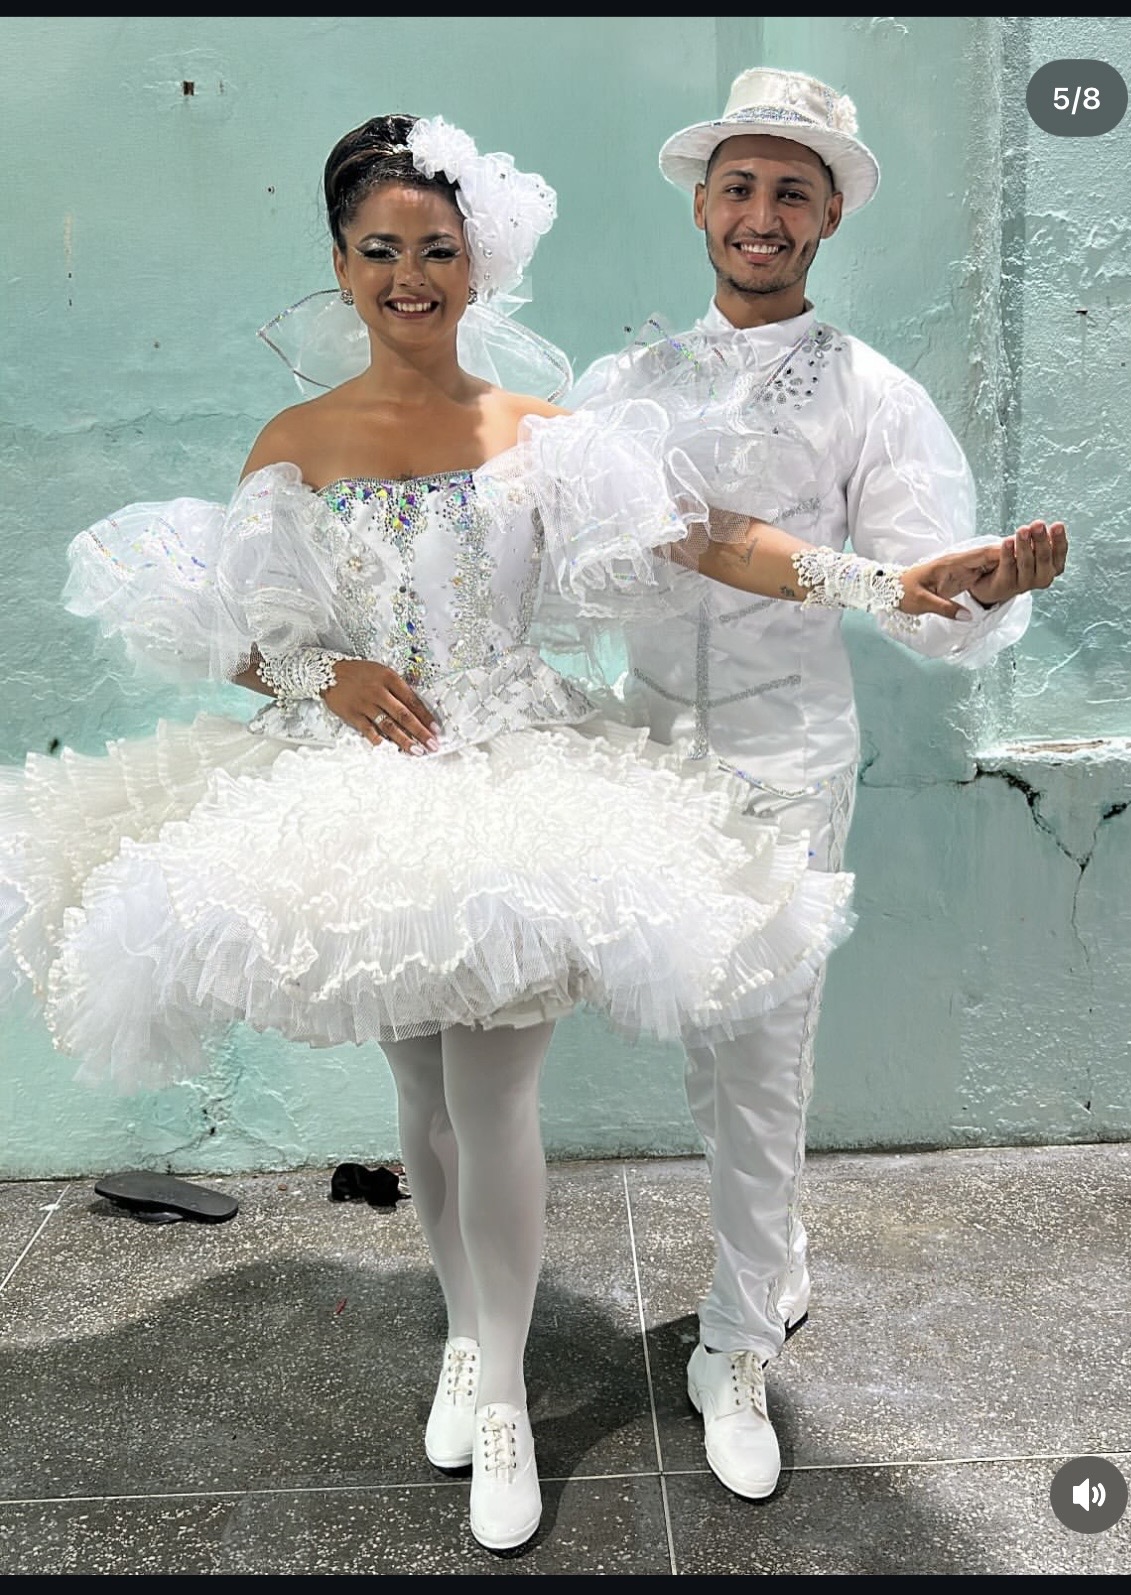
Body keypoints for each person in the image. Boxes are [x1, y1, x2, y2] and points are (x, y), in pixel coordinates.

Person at [0, 111, 1022, 1553]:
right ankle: (469, 1336)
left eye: (437, 249)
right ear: (340, 266)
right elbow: (243, 631)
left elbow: (712, 537)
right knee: (418, 1100)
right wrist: (322, 676)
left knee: (492, 1103)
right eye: (380, 250)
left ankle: (504, 1404)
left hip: (516, 784)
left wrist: (886, 584)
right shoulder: (295, 442)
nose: (409, 275)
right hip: (362, 803)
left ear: (477, 266)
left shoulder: (545, 431)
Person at [568, 67, 1069, 1503]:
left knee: (765, 1044)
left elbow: (922, 596)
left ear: (830, 216)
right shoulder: (624, 385)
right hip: (645, 747)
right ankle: (774, 1256)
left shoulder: (872, 395)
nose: (762, 213)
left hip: (787, 752)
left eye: (793, 191)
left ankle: (736, 1342)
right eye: (739, 186)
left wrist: (974, 590)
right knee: (702, 1031)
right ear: (701, 206)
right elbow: (581, 558)